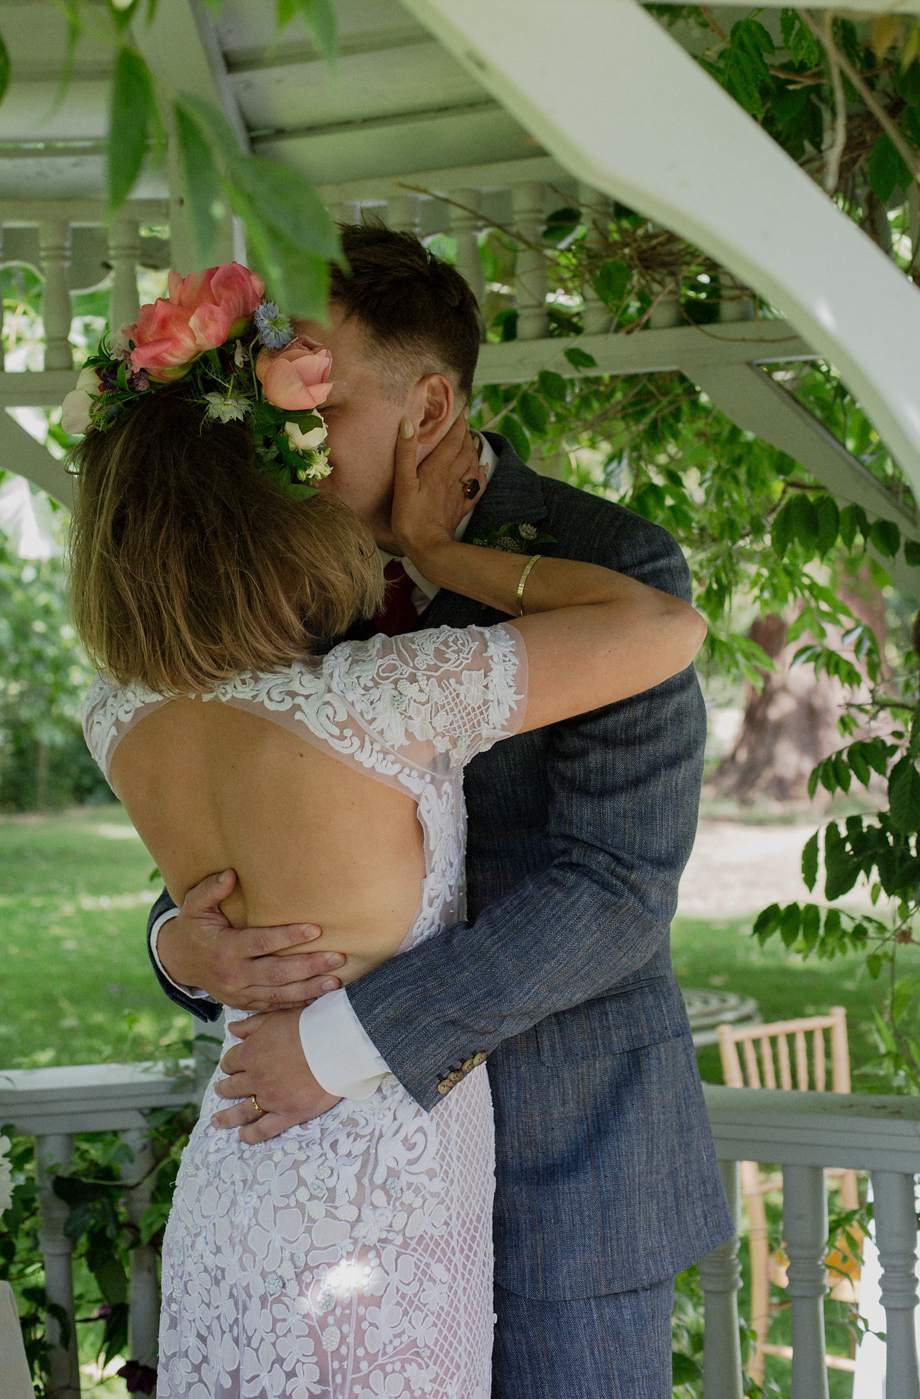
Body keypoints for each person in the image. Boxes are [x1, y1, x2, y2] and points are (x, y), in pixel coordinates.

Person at [68, 260, 708, 1398]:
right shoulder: (271, 579)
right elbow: (241, 839)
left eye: (318, 395)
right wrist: (180, 945)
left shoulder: (611, 565)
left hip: (575, 1171)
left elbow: (613, 889)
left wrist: (340, 1042)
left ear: (427, 410)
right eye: (276, 388)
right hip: (324, 1185)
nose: (289, 421)